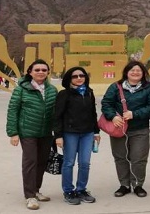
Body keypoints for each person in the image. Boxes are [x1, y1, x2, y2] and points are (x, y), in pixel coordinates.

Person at [101, 60, 150, 198]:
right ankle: (124, 185)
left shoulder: (149, 88)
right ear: (126, 72)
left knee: (139, 158)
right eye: (132, 70)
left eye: (138, 70)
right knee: (120, 157)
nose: (135, 72)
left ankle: (138, 185)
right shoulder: (115, 86)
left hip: (140, 129)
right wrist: (113, 117)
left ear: (143, 73)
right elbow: (106, 103)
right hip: (119, 129)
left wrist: (135, 114)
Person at [6, 59, 58, 211]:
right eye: (37, 70)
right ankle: (30, 196)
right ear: (30, 72)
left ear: (48, 72)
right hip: (27, 131)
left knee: (42, 162)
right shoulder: (21, 89)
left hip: (46, 132)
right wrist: (13, 133)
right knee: (30, 162)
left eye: (44, 70)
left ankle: (36, 190)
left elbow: (56, 112)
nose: (40, 72)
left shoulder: (52, 90)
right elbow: (13, 111)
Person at [53, 66, 100, 205]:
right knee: (69, 162)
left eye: (82, 75)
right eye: (75, 76)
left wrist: (96, 132)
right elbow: (57, 116)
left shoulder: (89, 92)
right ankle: (68, 191)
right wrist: (58, 136)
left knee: (85, 163)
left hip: (87, 133)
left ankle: (81, 189)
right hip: (70, 133)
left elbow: (93, 113)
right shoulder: (64, 94)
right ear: (69, 79)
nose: (79, 78)